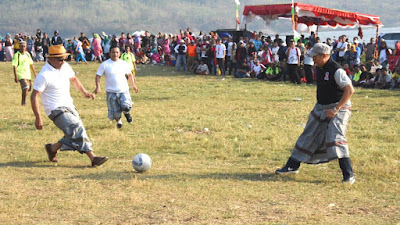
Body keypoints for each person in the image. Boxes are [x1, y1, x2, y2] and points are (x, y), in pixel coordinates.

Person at [275, 43, 356, 184]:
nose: (313, 60)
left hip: (339, 107)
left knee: (335, 136)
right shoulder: (319, 67)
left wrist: (336, 108)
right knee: (308, 133)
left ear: (324, 56)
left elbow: (349, 90)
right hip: (321, 106)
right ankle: (292, 166)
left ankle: (348, 175)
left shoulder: (337, 70)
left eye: (315, 57)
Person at [31, 45, 108, 166]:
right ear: (50, 59)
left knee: (73, 132)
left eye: (64, 59)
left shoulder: (65, 67)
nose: (62, 62)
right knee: (76, 128)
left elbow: (74, 79)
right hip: (54, 109)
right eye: (59, 59)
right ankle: (93, 158)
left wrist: (85, 93)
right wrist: (38, 117)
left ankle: (52, 148)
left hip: (69, 105)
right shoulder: (44, 75)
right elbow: (34, 96)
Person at [94, 46, 139, 129]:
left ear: (119, 54)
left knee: (126, 106)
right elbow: (98, 76)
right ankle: (119, 122)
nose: (115, 54)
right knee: (115, 111)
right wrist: (98, 87)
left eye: (117, 52)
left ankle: (126, 113)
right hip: (111, 92)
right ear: (110, 53)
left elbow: (130, 75)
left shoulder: (123, 64)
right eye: (113, 52)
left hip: (123, 90)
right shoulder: (105, 64)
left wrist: (134, 86)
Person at [12, 41, 37, 106]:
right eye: (21, 46)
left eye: (24, 46)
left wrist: (35, 73)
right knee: (26, 87)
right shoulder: (17, 55)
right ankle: (24, 102)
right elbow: (14, 66)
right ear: (19, 47)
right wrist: (16, 76)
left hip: (27, 74)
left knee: (29, 89)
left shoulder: (27, 54)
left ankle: (24, 99)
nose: (23, 48)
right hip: (20, 74)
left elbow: (31, 64)